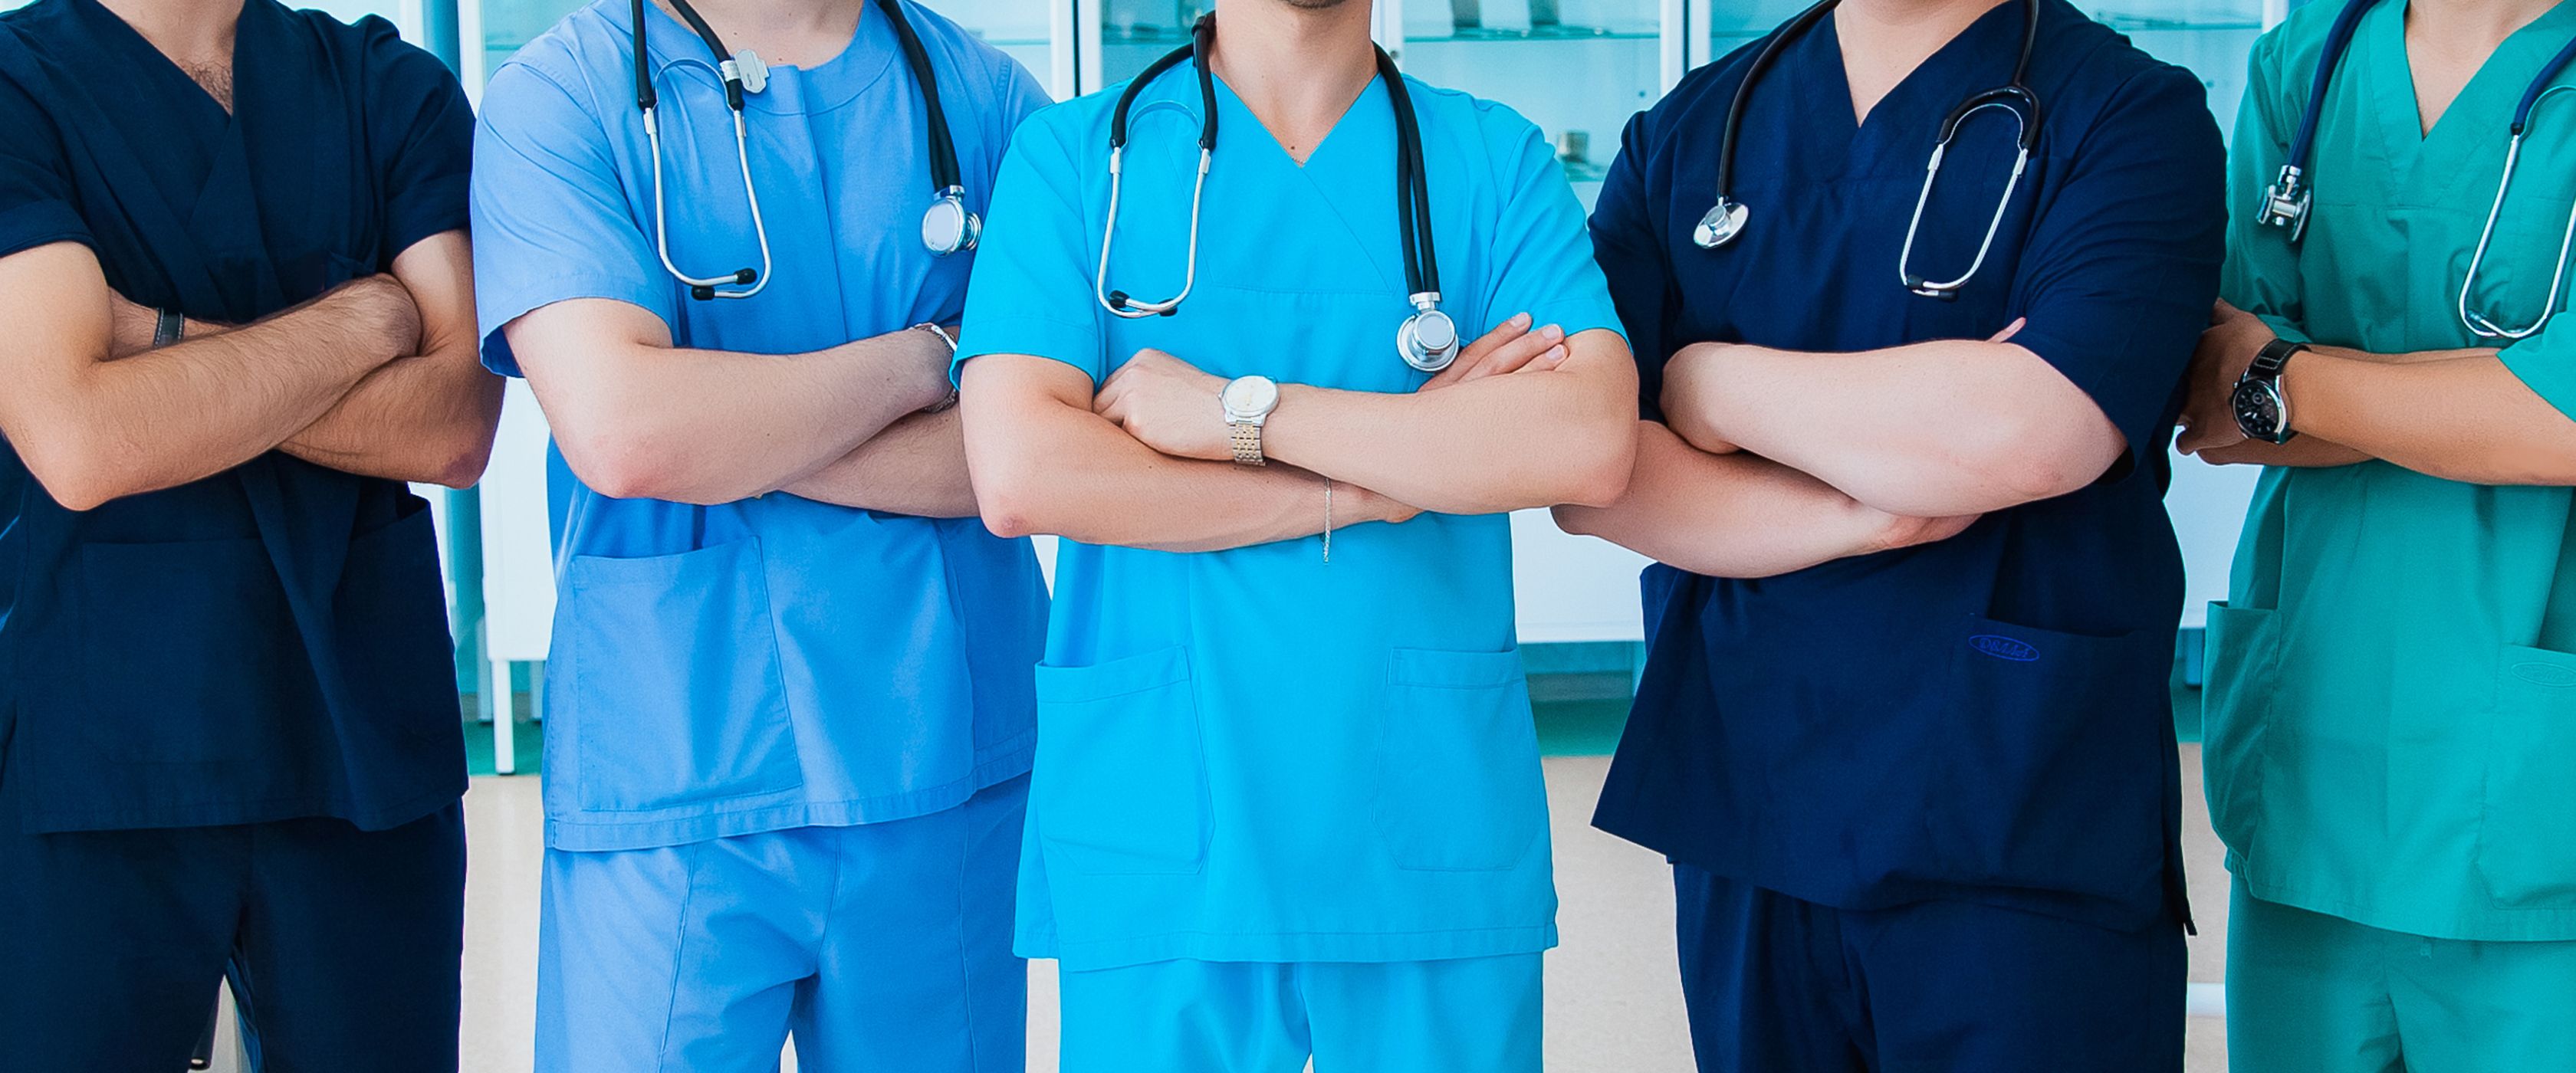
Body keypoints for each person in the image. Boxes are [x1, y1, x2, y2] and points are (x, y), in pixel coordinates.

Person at [951, 0, 1635, 1068]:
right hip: (1169, 822)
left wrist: (1242, 413)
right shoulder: (1082, 162)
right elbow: (1023, 473)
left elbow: (1590, 440)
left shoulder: (1490, 160)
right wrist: (1377, 481)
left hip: (1419, 828)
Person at [1557, 0, 2227, 1067]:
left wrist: (1707, 383)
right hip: (1754, 793)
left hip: (2014, 803)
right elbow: (1592, 471)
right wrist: (1868, 507)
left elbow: (2030, 432)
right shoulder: (1692, 132)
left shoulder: (2129, 115)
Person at [469, 0, 1050, 1068]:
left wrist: (723, 429)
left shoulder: (986, 100)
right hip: (674, 763)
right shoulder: (560, 97)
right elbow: (624, 435)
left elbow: (1026, 452)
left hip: (942, 762)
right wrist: (930, 357)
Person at [0, 0, 496, 1067]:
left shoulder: (383, 85)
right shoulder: (14, 86)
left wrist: (150, 342)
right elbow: (80, 439)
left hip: (360, 738)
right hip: (89, 753)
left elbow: (456, 423)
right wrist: (365, 322)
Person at [2176, 0, 2576, 1065]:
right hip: (2312, 762)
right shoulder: (2310, 59)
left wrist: (2288, 380)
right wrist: (2480, 403)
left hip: (2539, 797)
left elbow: (2565, 420)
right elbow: (2217, 397)